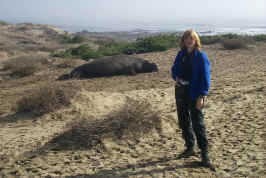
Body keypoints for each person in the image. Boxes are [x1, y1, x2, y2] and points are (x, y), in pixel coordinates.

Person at [171, 29, 211, 167]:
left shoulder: (200, 56)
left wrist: (202, 96)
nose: (189, 40)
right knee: (183, 121)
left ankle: (205, 154)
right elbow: (174, 68)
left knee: (197, 123)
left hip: (194, 93)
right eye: (187, 38)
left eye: (191, 38)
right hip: (180, 90)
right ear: (183, 40)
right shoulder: (181, 54)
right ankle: (189, 148)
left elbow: (205, 78)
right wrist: (175, 78)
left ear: (196, 40)